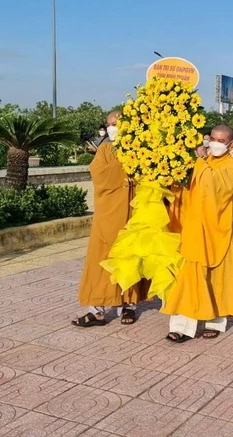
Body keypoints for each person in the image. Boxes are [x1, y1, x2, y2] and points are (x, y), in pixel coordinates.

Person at [163, 124, 233, 342]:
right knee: (188, 276)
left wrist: (199, 161)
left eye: (221, 141)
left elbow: (215, 189)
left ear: (231, 144)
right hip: (193, 229)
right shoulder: (199, 163)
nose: (215, 144)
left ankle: (215, 322)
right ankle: (181, 326)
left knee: (218, 278)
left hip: (217, 230)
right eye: (213, 139)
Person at [73, 111, 148, 327]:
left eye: (116, 124)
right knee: (101, 261)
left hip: (134, 214)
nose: (111, 128)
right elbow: (99, 175)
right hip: (108, 216)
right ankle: (96, 310)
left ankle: (129, 306)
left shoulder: (143, 150)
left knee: (132, 259)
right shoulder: (105, 149)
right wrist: (126, 165)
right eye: (109, 124)